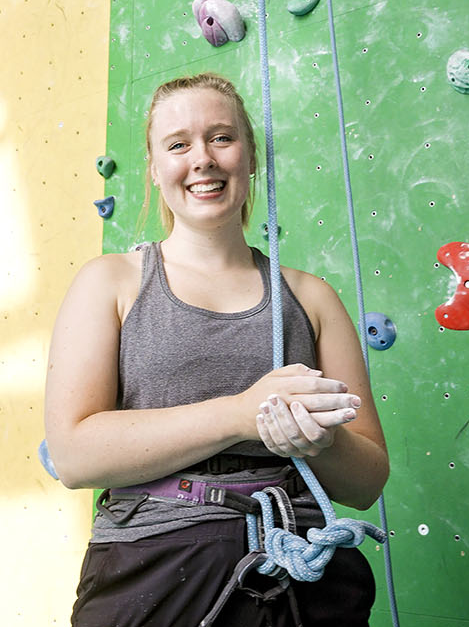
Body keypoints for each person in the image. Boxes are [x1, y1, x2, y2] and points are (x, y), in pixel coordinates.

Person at [44, 72, 390, 627]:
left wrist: (321, 443)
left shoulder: (311, 298)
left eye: (222, 138)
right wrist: (239, 415)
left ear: (251, 157)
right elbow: (74, 454)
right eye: (178, 145)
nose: (201, 158)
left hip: (300, 577)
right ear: (156, 170)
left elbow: (368, 481)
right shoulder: (110, 283)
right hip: (150, 574)